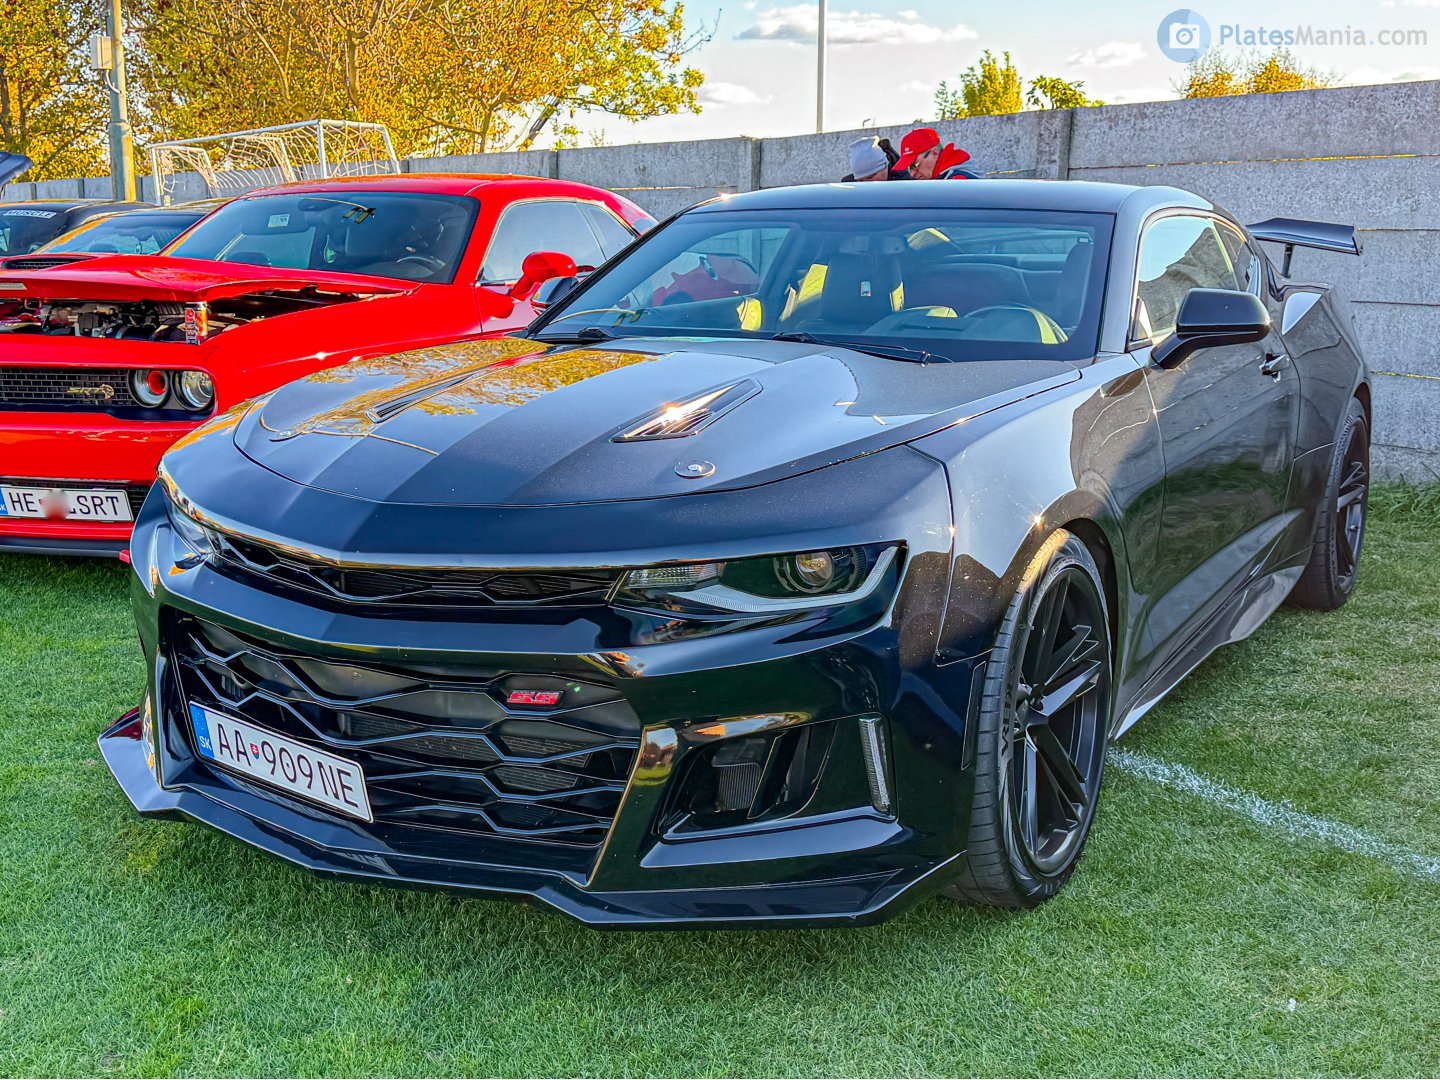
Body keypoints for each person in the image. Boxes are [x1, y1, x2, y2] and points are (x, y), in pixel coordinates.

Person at [893, 126, 972, 180]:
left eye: (915, 165)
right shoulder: (943, 181)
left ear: (935, 154)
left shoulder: (957, 183)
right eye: (909, 168)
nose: (912, 174)